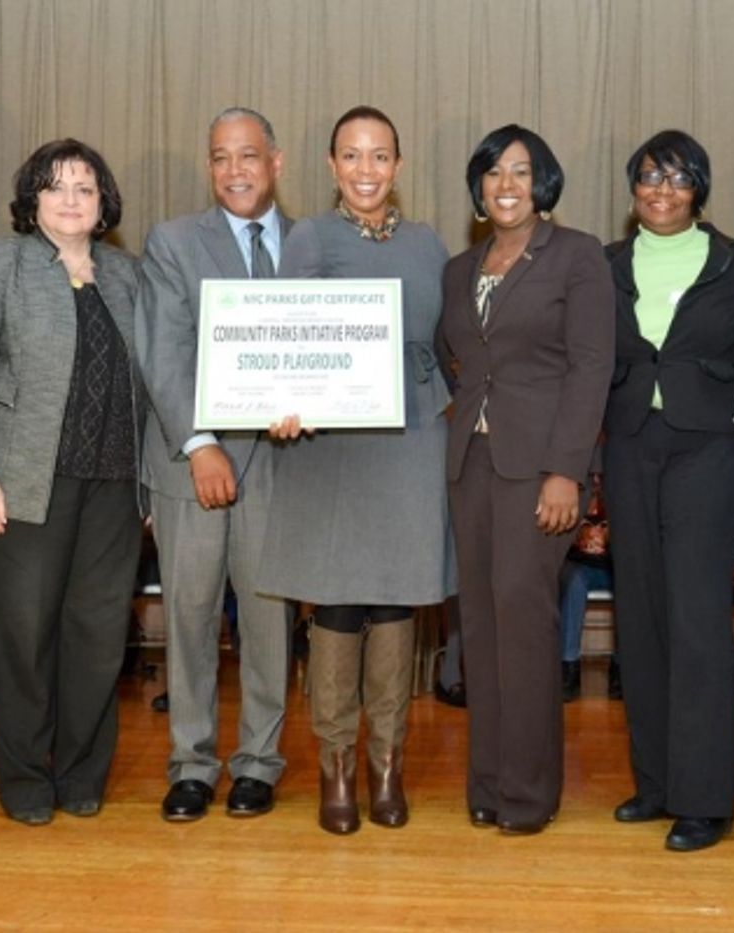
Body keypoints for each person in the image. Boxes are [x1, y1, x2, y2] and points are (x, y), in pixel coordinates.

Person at [262, 105, 455, 834]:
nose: (366, 170)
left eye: (380, 156)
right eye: (352, 156)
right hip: (330, 442)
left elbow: (450, 339)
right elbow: (287, 335)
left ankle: (387, 764)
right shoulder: (308, 236)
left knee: (398, 599)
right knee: (338, 602)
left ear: (398, 166)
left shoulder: (431, 243)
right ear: (332, 164)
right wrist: (282, 401)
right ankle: (336, 766)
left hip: (409, 436)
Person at [0, 139, 143, 825]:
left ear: (102, 202)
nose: (69, 198)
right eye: (54, 186)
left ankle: (83, 770)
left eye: (84, 188)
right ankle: (26, 777)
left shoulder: (127, 275)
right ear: (31, 199)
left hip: (115, 485)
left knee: (97, 636)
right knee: (22, 634)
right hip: (26, 484)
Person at [437, 125, 614, 835]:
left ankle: (529, 793)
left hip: (541, 471)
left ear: (543, 183)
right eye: (493, 172)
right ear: (478, 186)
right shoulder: (458, 269)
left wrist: (567, 470)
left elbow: (592, 366)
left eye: (521, 171)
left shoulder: (575, 256)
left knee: (525, 624)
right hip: (470, 465)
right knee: (477, 627)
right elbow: (459, 361)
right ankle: (486, 782)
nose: (506, 183)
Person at [603, 130, 734, 852]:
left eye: (677, 179)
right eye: (648, 178)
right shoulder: (601, 265)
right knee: (640, 616)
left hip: (711, 447)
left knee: (699, 620)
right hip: (631, 443)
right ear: (632, 188)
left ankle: (705, 796)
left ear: (699, 187)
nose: (661, 192)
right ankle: (658, 782)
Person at [137, 107, 291, 822]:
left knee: (268, 623)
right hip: (189, 463)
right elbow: (164, 353)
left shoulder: (311, 245)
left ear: (276, 163)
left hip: (284, 464)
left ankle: (259, 763)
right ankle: (192, 764)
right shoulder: (173, 242)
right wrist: (200, 443)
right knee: (191, 618)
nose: (235, 170)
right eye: (220, 156)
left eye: (248, 156)